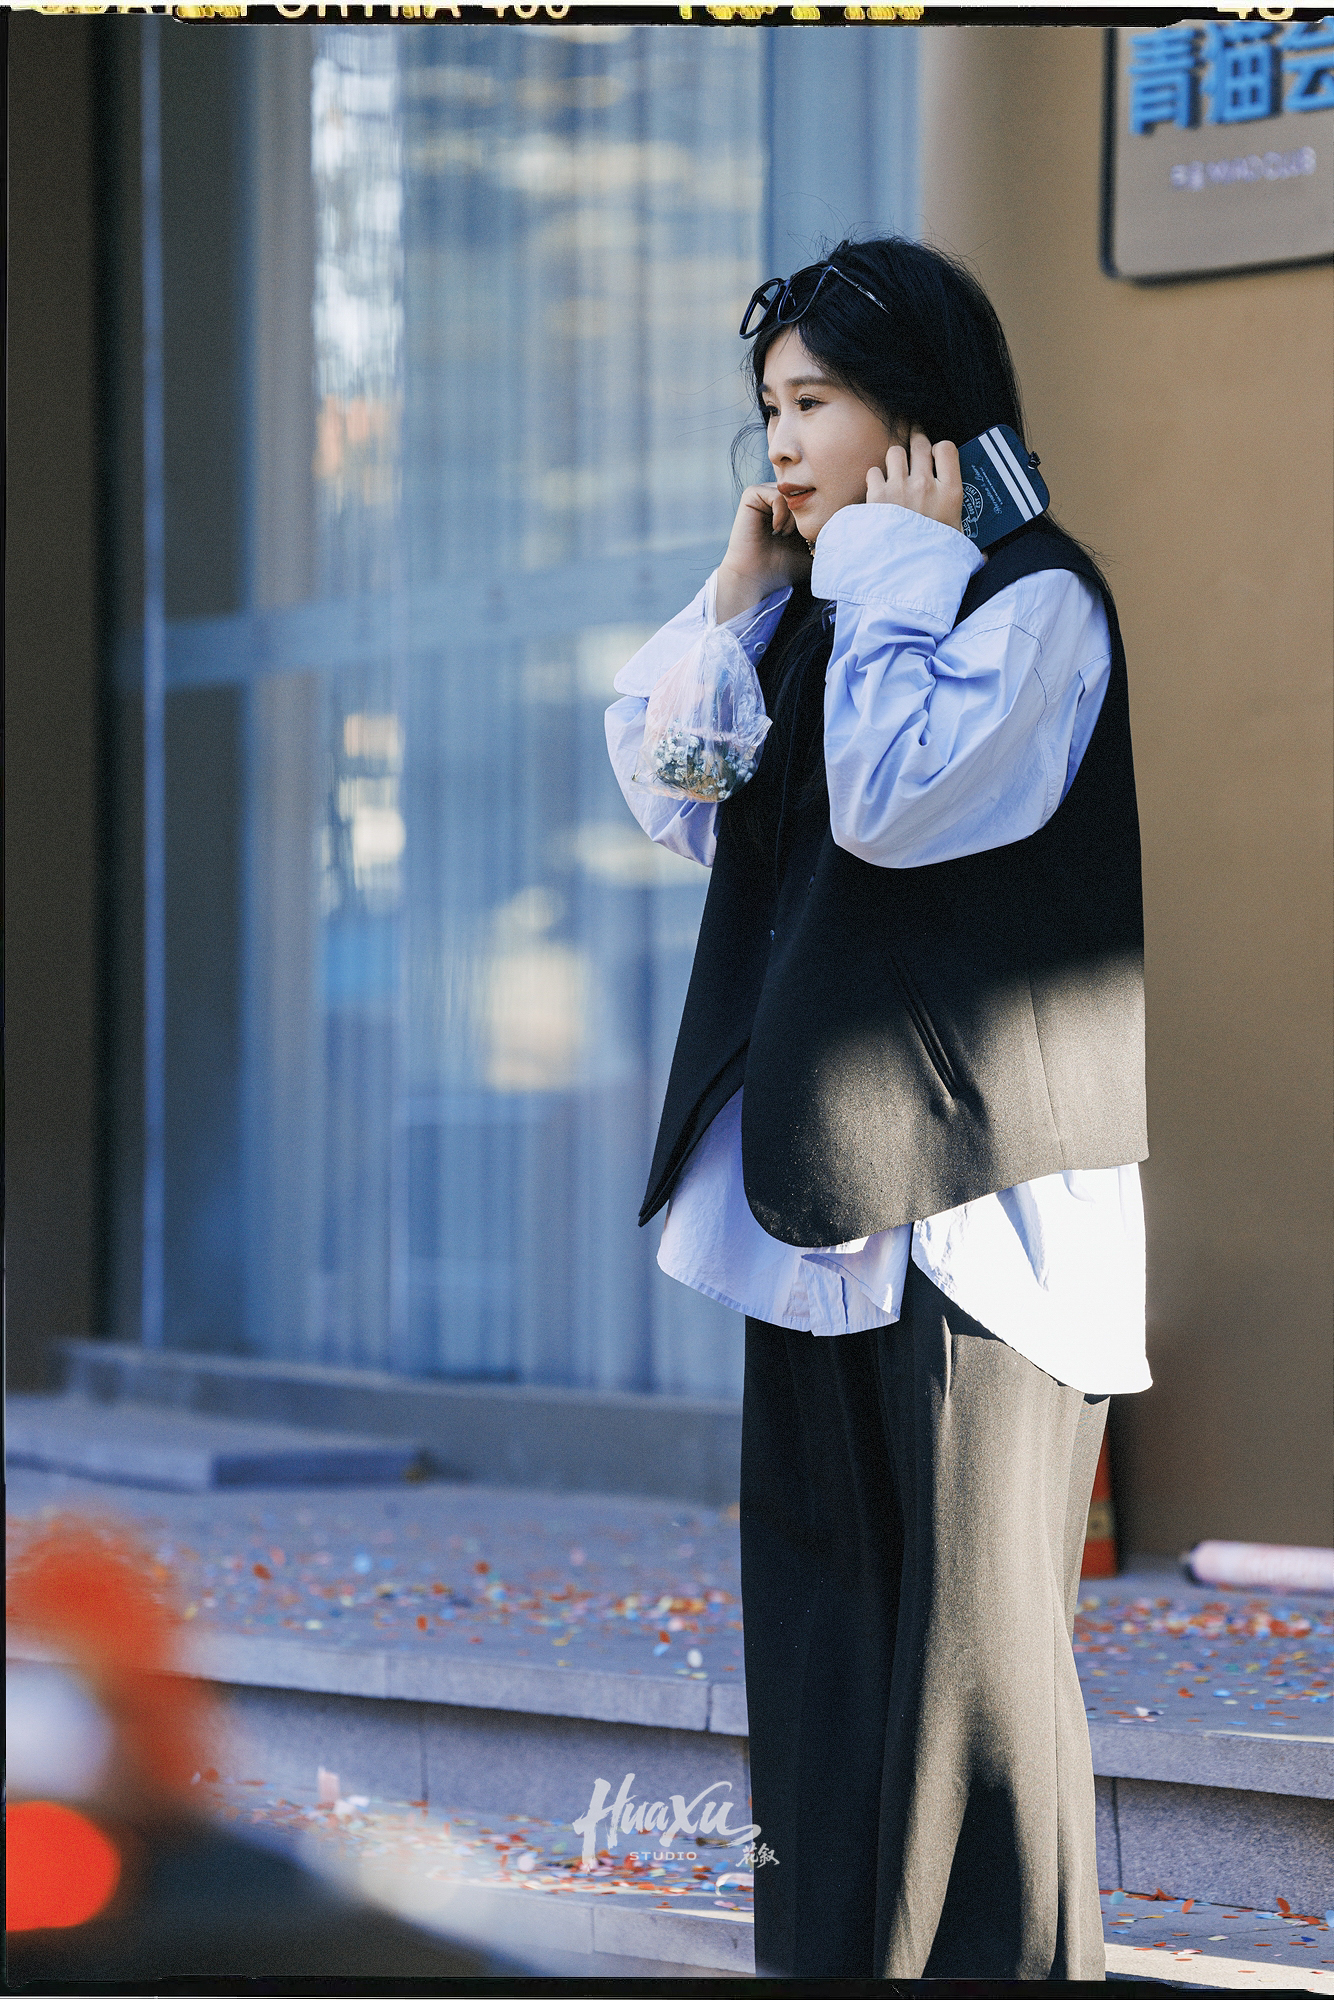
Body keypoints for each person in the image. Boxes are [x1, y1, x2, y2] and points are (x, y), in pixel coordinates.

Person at [605, 236, 1150, 1982]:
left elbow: (903, 802)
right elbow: (672, 787)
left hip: (987, 1217)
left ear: (916, 413)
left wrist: (896, 570)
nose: (779, 441)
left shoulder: (1033, 600)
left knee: (971, 1666)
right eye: (767, 406)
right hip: (814, 1209)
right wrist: (743, 594)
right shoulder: (826, 616)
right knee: (825, 1632)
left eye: (816, 401)